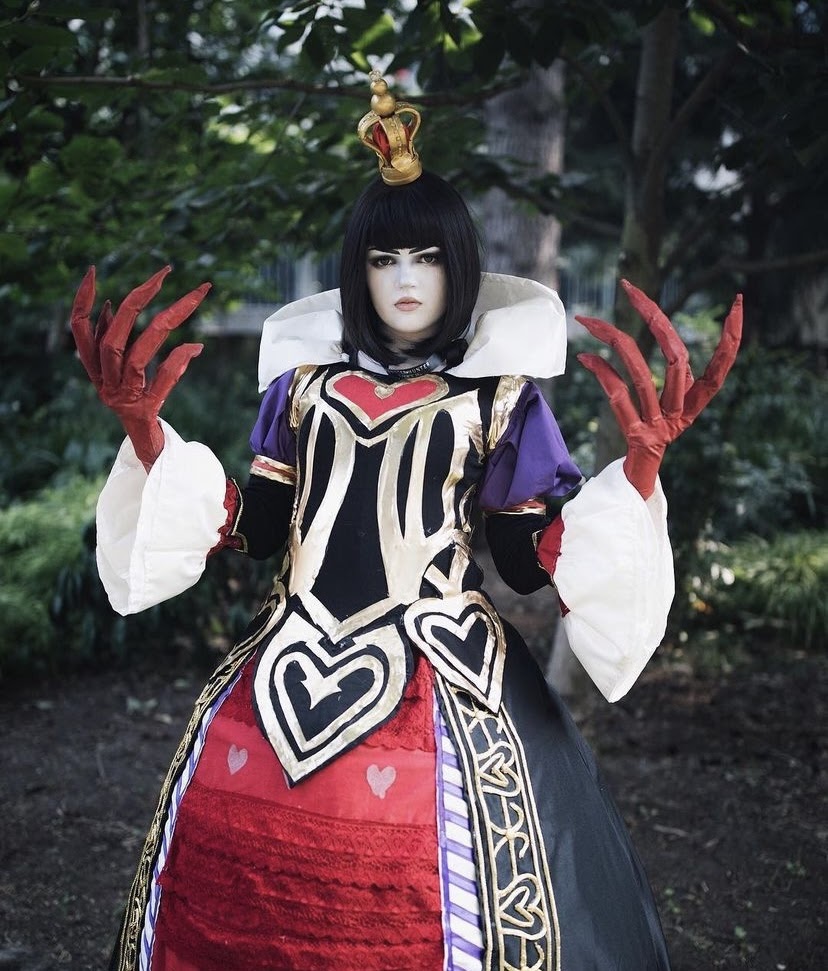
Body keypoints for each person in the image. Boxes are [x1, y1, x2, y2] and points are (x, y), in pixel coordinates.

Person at [70, 72, 741, 971]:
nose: (406, 279)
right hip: (288, 653)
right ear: (359, 273)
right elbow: (259, 527)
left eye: (426, 258)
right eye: (384, 261)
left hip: (442, 663)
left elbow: (522, 559)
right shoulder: (301, 388)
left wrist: (639, 472)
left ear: (458, 268)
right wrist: (151, 440)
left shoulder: (500, 398)